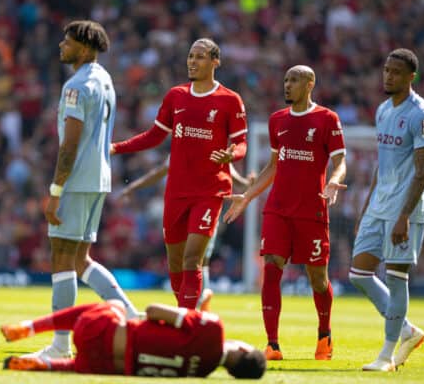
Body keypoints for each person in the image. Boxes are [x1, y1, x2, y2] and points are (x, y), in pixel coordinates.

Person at [112, 38, 248, 309]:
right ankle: (187, 317)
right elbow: (154, 136)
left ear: (215, 61)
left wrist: (231, 154)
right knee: (174, 263)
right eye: (190, 56)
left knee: (192, 259)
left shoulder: (230, 100)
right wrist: (117, 147)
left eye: (199, 57)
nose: (192, 61)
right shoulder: (176, 96)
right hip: (176, 190)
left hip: (210, 190)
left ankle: (188, 322)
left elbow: (242, 143)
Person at [223, 65, 347, 361]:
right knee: (271, 267)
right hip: (278, 209)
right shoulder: (277, 120)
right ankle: (273, 344)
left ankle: (324, 335)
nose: (287, 85)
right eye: (286, 80)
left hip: (311, 211)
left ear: (309, 84)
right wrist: (248, 197)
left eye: (294, 80)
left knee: (317, 278)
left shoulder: (327, 119)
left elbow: (341, 160)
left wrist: (333, 179)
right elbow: (273, 166)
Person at [32, 20, 139, 360]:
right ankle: (131, 315)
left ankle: (61, 344)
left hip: (77, 181)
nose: (61, 46)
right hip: (100, 179)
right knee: (80, 259)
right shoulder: (105, 80)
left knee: (61, 257)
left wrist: (56, 190)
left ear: (86, 47)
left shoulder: (76, 86)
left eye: (68, 41)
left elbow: (70, 145)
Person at [348, 49, 424, 372]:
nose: (388, 76)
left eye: (396, 72)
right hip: (378, 206)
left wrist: (403, 215)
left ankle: (386, 356)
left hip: (405, 211)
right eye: (386, 70)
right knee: (358, 273)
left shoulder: (422, 115)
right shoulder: (383, 110)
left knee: (396, 278)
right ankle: (407, 331)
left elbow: (423, 172)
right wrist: (366, 207)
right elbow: (381, 164)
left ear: (411, 76)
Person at [118, 158, 255, 311]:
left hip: (204, 211)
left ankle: (198, 305)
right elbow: (159, 172)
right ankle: (197, 302)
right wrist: (135, 186)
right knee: (187, 260)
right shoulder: (182, 148)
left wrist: (247, 184)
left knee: (198, 259)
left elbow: (233, 176)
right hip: (181, 213)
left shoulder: (213, 147)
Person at [1, 300, 266, 379]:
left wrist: (197, 313)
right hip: (103, 365)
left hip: (100, 332)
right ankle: (43, 364)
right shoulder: (203, 371)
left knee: (113, 306)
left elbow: (153, 310)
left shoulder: (213, 329)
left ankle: (29, 327)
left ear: (243, 349)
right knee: (81, 365)